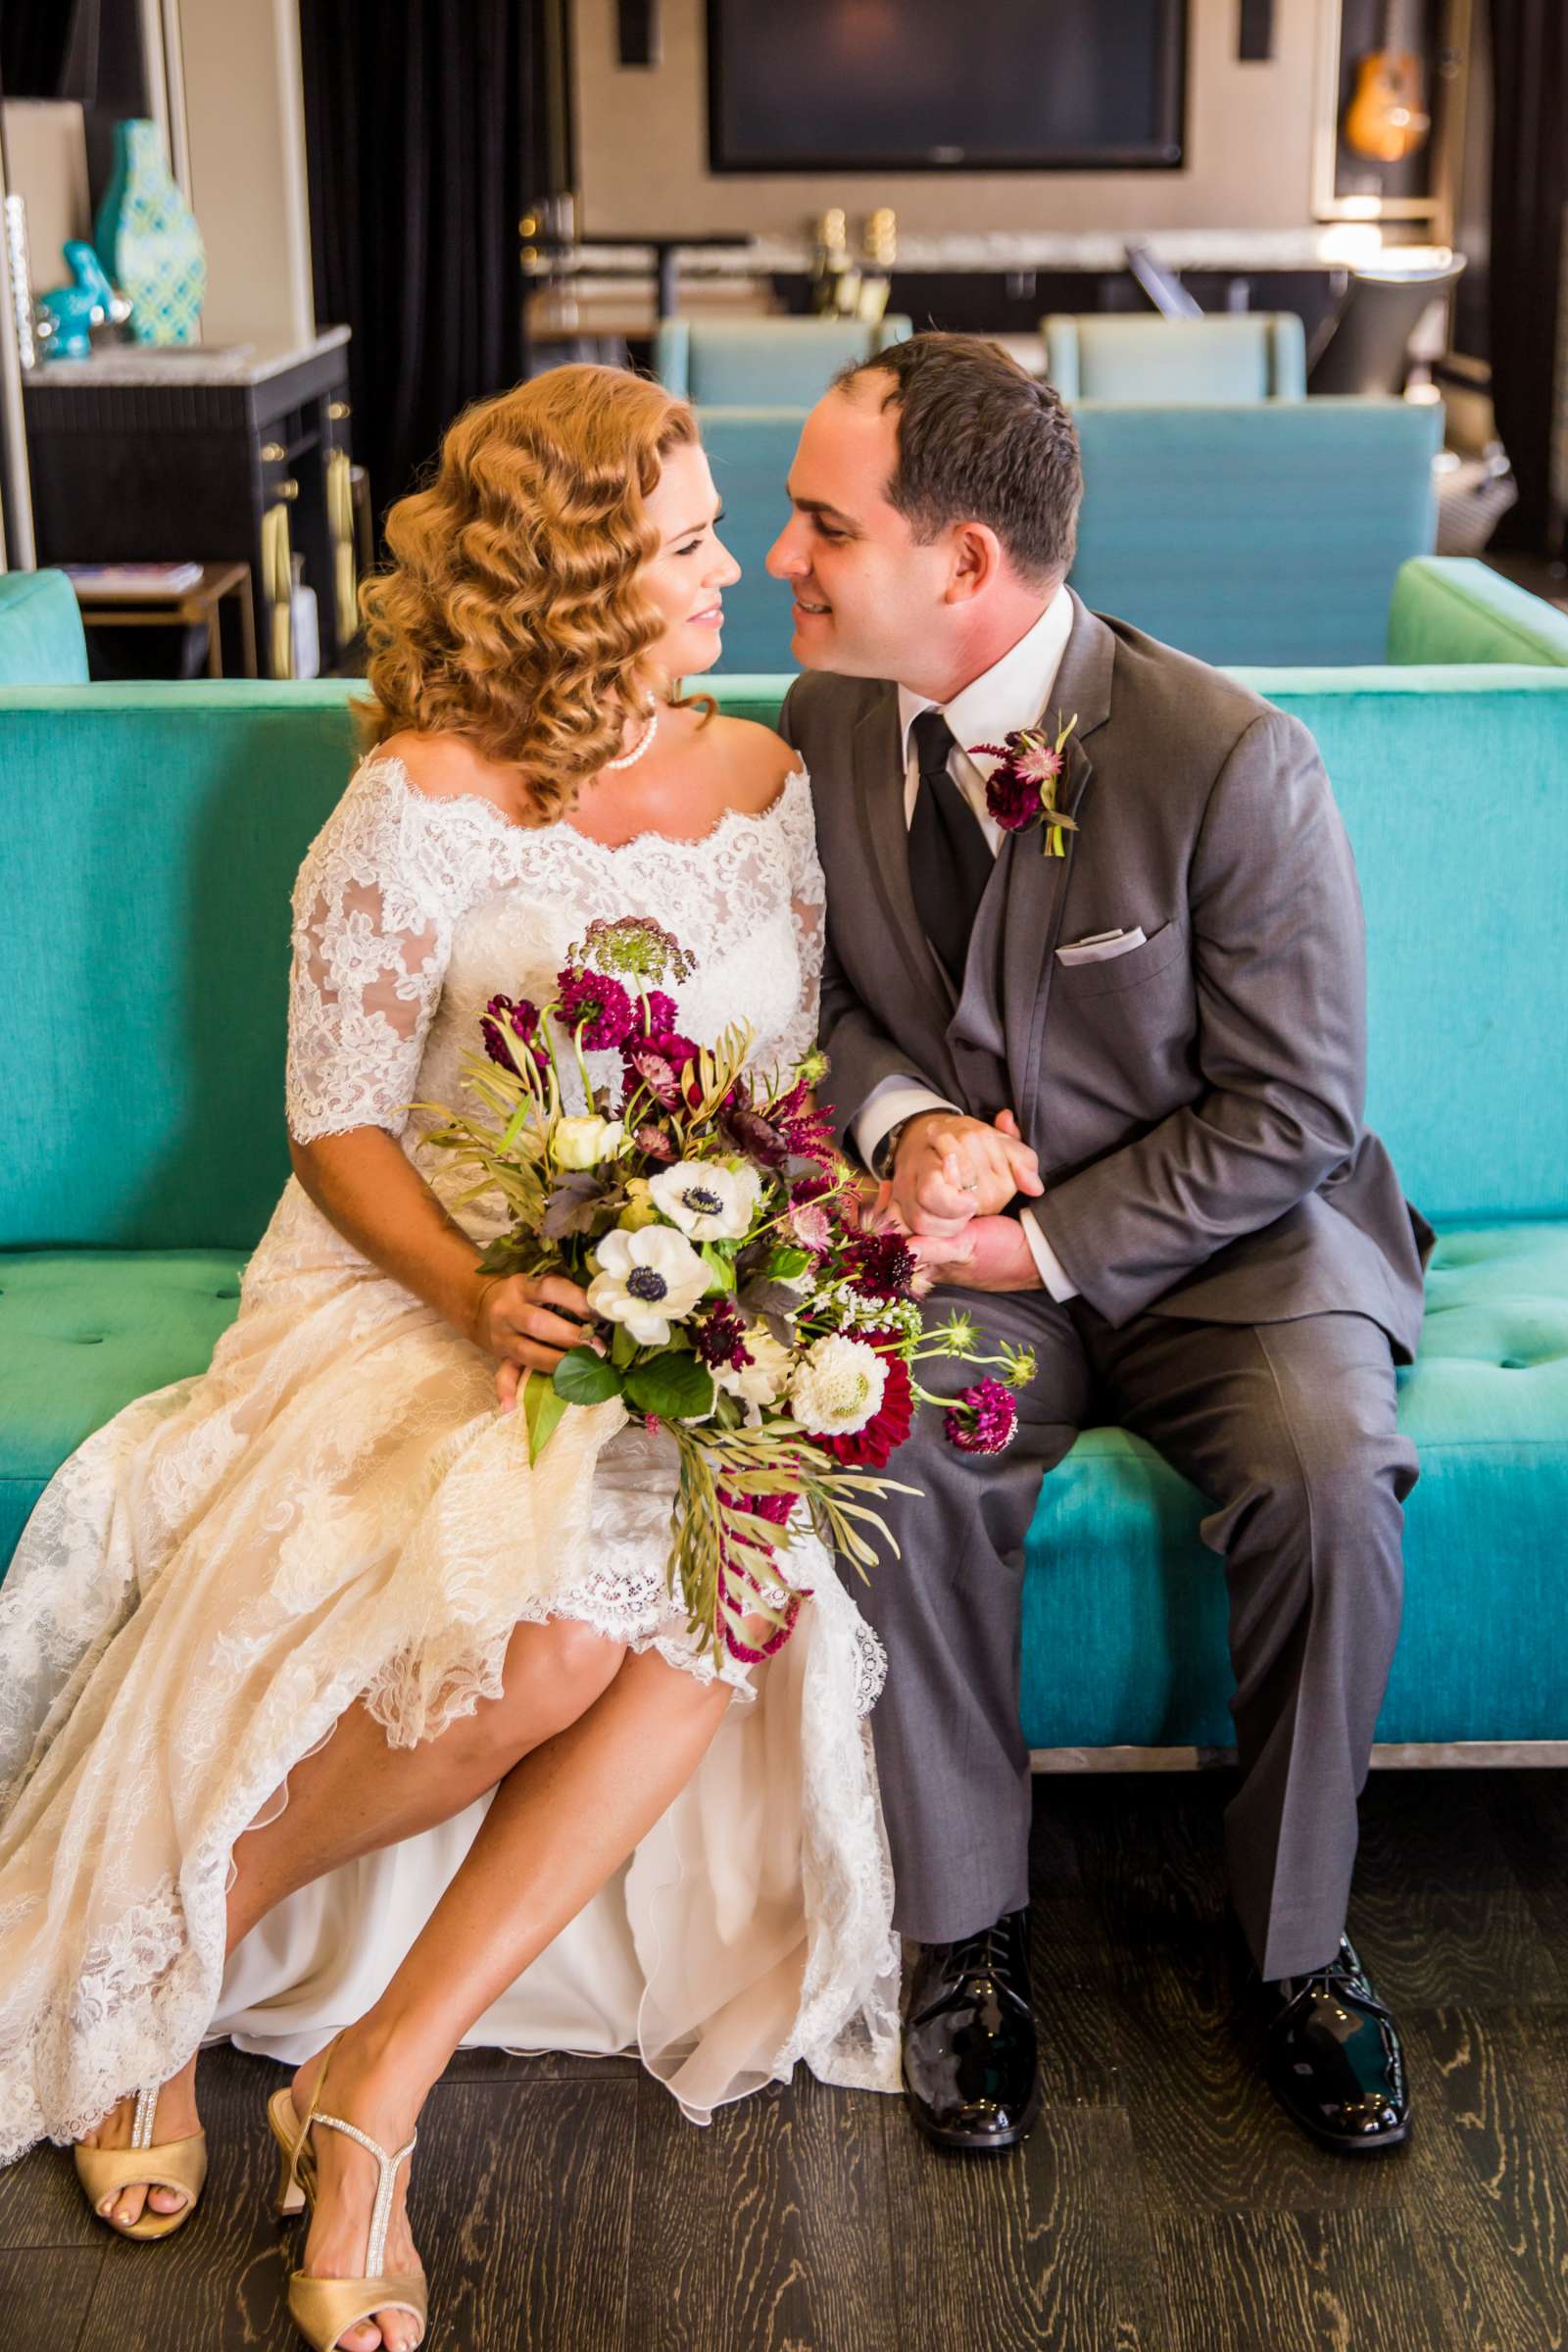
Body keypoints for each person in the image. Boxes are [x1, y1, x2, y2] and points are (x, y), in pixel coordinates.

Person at [0, 365, 899, 2352]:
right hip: (419, 1278)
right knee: (552, 1638)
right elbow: (334, 1125)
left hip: (665, 1304)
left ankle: (375, 2084)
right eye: (681, 546)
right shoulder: (409, 801)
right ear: (576, 581)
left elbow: (783, 1093)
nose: (731, 567)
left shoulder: (765, 785)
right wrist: (486, 1290)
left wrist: (757, 1266)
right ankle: (177, 1943)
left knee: (728, 1579)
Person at [770, 331, 1431, 2160]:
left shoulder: (1234, 760)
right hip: (972, 1270)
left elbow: (1296, 1111)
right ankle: (964, 1936)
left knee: (1327, 1468)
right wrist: (907, 1131)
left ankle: (1299, 1948)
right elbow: (815, 1001)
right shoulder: (825, 724)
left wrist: (1044, 1242)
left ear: (963, 564)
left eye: (822, 523)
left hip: (1235, 1249)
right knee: (887, 1434)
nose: (781, 562)